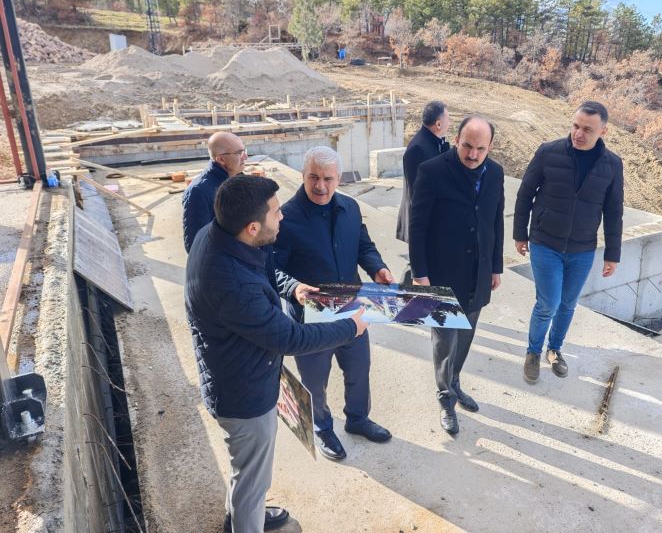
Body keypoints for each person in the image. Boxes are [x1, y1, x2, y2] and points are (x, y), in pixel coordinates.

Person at [185, 174, 368, 533]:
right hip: (243, 395)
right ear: (253, 227)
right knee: (253, 477)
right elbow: (290, 338)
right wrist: (351, 327)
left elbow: (267, 272)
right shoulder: (232, 284)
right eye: (275, 212)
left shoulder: (219, 233)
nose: (282, 216)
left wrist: (292, 286)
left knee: (246, 469)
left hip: (238, 370)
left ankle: (240, 515)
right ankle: (246, 522)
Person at [274, 146, 395, 460]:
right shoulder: (285, 218)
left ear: (339, 178)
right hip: (310, 317)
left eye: (328, 179)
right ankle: (322, 427)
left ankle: (357, 419)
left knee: (359, 368)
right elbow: (270, 269)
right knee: (315, 380)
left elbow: (364, 246)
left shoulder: (350, 208)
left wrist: (378, 268)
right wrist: (293, 287)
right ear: (303, 175)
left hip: (351, 307)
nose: (320, 186)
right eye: (313, 177)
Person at [512, 100, 623, 383]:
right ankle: (533, 352)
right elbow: (525, 194)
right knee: (548, 302)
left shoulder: (612, 165)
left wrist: (613, 254)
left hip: (582, 249)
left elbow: (613, 211)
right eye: (575, 126)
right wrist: (519, 233)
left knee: (568, 304)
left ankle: (555, 349)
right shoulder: (548, 152)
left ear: (603, 131)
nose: (578, 133)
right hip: (545, 243)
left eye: (587, 129)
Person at [408, 115, 504, 435]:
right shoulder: (432, 171)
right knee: (445, 341)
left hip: (478, 274)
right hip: (442, 275)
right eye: (467, 146)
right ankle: (445, 396)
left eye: (480, 149)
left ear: (490, 147)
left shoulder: (496, 173)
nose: (472, 155)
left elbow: (495, 221)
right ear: (457, 140)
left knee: (465, 336)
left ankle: (455, 381)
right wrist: (420, 273)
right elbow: (417, 227)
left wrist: (495, 266)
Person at [396, 100, 451, 245]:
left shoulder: (433, 141)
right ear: (438, 124)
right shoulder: (418, 149)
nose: (450, 123)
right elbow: (417, 193)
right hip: (423, 225)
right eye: (448, 119)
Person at [182, 131, 248, 253]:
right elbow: (195, 245)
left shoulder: (238, 179)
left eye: (244, 151)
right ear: (221, 159)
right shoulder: (199, 192)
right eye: (239, 153)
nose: (245, 157)